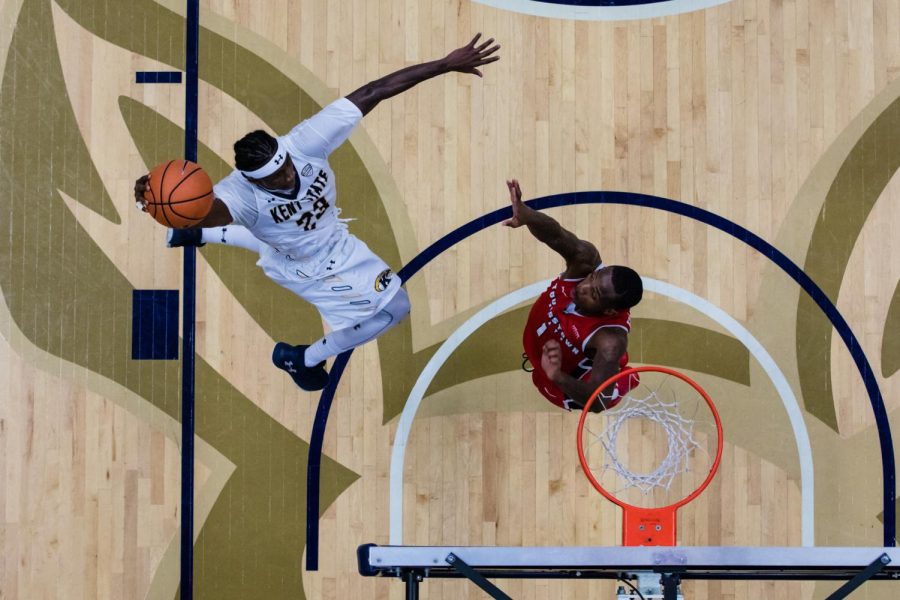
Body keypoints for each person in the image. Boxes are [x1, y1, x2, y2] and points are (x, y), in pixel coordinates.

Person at [135, 34, 500, 392]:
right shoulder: (237, 197)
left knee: (272, 234)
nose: (289, 175)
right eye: (277, 178)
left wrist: (444, 64)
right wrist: (152, 201)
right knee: (394, 309)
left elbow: (374, 90)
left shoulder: (307, 141)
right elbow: (189, 208)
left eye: (287, 166)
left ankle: (195, 238)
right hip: (306, 268)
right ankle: (303, 358)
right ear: (253, 179)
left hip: (331, 237)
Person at [503, 180, 643, 412]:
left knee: (607, 385)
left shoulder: (609, 341)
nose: (585, 287)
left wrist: (557, 376)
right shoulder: (586, 262)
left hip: (564, 381)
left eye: (595, 294)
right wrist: (526, 215)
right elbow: (555, 235)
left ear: (608, 311)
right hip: (540, 347)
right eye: (593, 278)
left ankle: (621, 377)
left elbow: (597, 402)